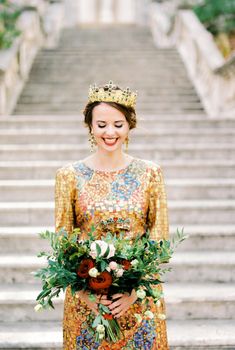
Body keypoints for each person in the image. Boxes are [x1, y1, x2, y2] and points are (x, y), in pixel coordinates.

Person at [55, 81, 169, 349]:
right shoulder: (68, 176)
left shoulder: (150, 173)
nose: (110, 132)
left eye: (118, 124)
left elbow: (159, 236)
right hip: (87, 302)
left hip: (139, 298)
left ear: (130, 126)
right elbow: (62, 238)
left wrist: (134, 290)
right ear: (90, 126)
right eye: (102, 124)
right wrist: (85, 295)